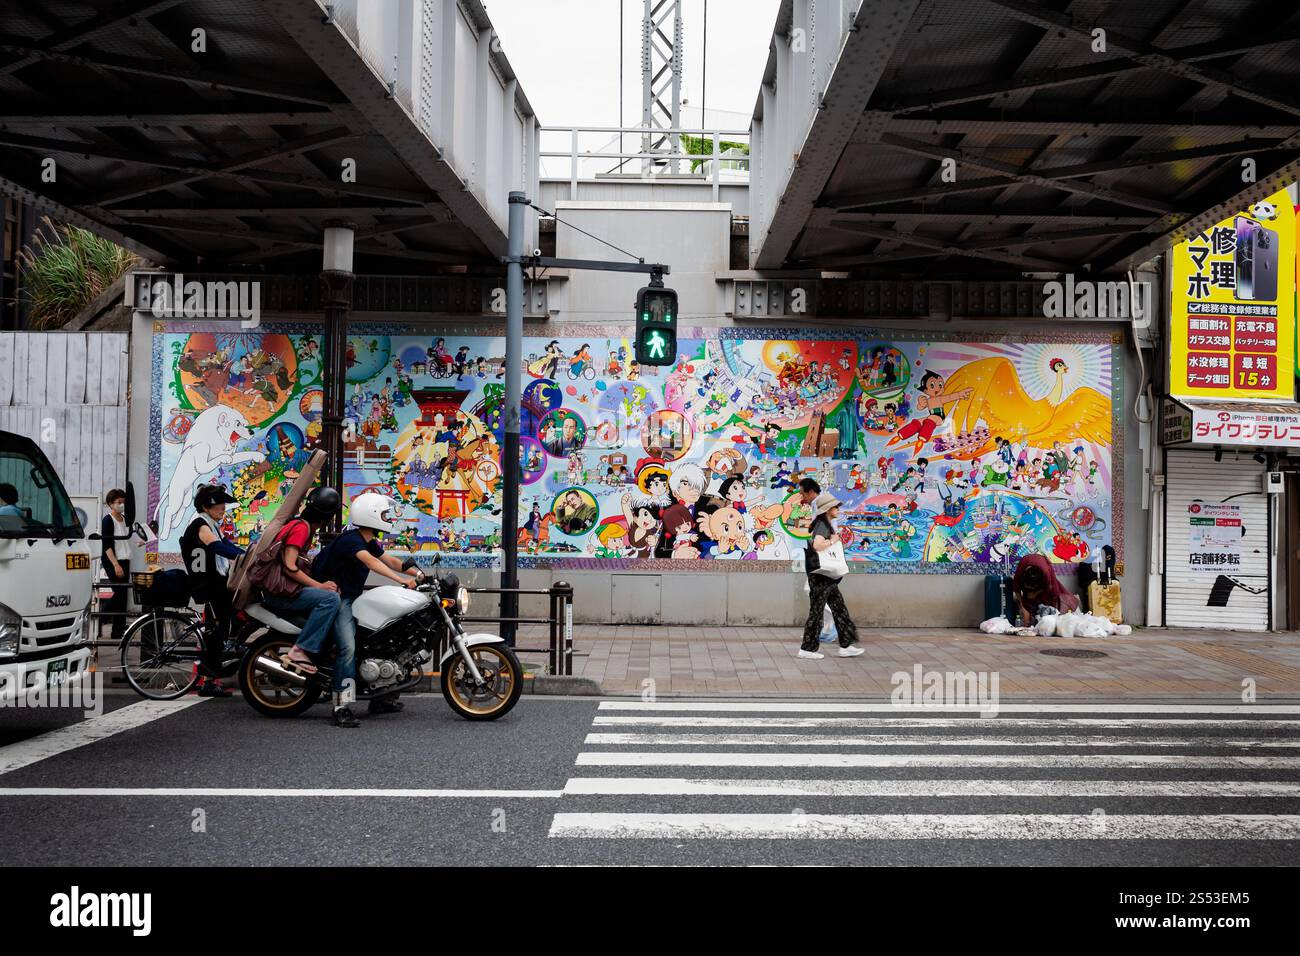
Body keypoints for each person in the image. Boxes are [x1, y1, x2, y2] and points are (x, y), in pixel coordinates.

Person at [313, 493, 422, 726]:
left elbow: (390, 561)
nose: (386, 518)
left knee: (387, 639)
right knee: (348, 648)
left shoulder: (368, 540)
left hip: (353, 598)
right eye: (383, 514)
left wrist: (419, 574)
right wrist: (400, 581)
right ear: (371, 515)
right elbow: (372, 563)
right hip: (339, 599)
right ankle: (341, 705)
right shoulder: (351, 541)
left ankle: (382, 698)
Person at [266, 487, 343, 703]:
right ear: (327, 516)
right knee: (330, 598)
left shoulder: (299, 525)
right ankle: (301, 650)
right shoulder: (301, 529)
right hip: (279, 593)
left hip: (282, 590)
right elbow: (290, 566)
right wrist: (318, 586)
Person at [179, 484, 244, 697]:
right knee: (218, 626)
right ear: (206, 507)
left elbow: (228, 544)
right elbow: (218, 547)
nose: (223, 507)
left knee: (220, 626)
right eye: (219, 504)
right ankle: (213, 669)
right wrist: (242, 558)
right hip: (208, 584)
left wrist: (248, 554)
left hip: (216, 582)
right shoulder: (201, 525)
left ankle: (209, 680)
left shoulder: (212, 524)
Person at [799, 493, 862, 660]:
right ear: (827, 509)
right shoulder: (822, 525)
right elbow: (817, 545)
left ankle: (846, 645)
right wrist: (833, 540)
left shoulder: (825, 524)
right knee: (817, 612)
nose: (838, 510)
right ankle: (807, 649)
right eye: (835, 507)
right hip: (820, 577)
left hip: (827, 578)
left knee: (839, 609)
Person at [1011, 553, 1080, 626]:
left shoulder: (1046, 575)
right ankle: (1030, 620)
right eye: (1028, 589)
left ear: (1038, 588)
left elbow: (1049, 591)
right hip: (1027, 566)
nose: (1030, 594)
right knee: (1027, 604)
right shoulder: (1021, 571)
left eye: (1032, 591)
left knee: (1051, 602)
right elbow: (1016, 589)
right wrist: (1023, 608)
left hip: (1044, 572)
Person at [100, 489, 132, 642]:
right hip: (113, 560)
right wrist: (115, 565)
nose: (121, 505)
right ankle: (99, 618)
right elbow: (107, 545)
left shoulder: (125, 519)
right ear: (110, 504)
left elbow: (125, 539)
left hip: (125, 559)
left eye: (123, 501)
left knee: (123, 596)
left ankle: (118, 630)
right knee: (118, 594)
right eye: (118, 502)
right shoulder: (108, 520)